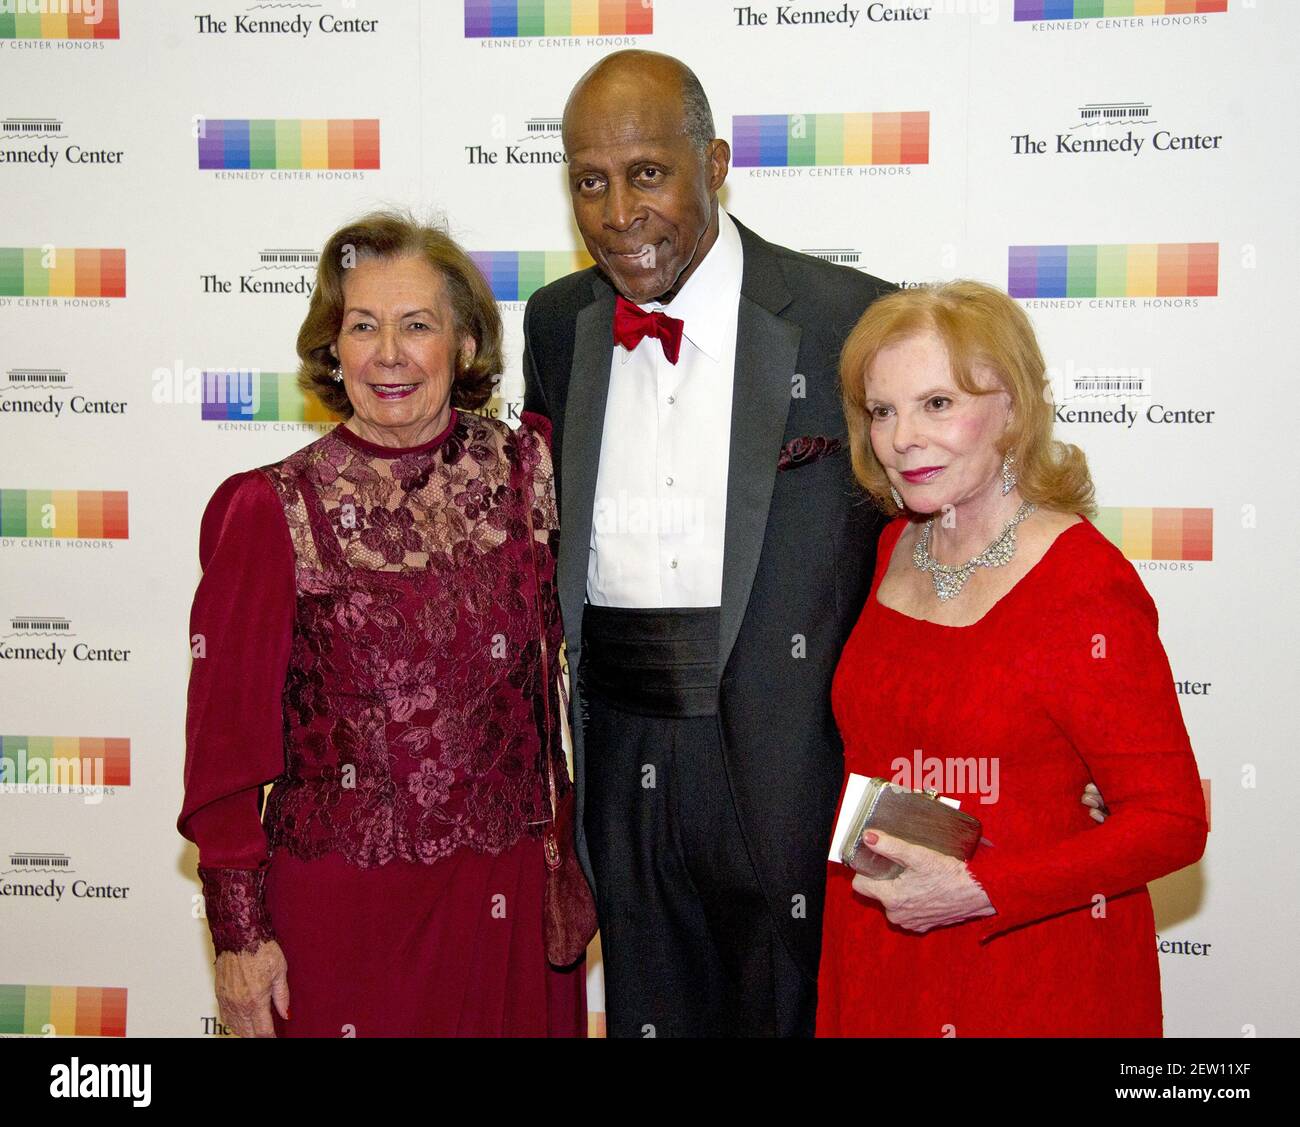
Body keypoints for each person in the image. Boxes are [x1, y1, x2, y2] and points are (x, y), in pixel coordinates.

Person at [521, 49, 893, 1037]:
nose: (615, 213)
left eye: (646, 173)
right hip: (618, 741)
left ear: (714, 164)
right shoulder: (559, 322)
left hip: (789, 748)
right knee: (649, 1003)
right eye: (587, 182)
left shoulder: (846, 316)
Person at [178, 210, 586, 1037]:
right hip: (348, 913)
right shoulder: (270, 508)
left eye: (417, 326)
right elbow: (224, 750)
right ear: (333, 347)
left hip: (510, 896)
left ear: (465, 344)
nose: (389, 354)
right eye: (362, 326)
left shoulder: (531, 469)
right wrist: (239, 937)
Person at [817, 280, 1207, 1037]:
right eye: (883, 410)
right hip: (879, 947)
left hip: (1027, 963)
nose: (902, 438)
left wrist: (979, 886)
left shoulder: (1083, 582)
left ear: (1014, 411)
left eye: (938, 403)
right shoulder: (896, 545)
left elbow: (1172, 818)